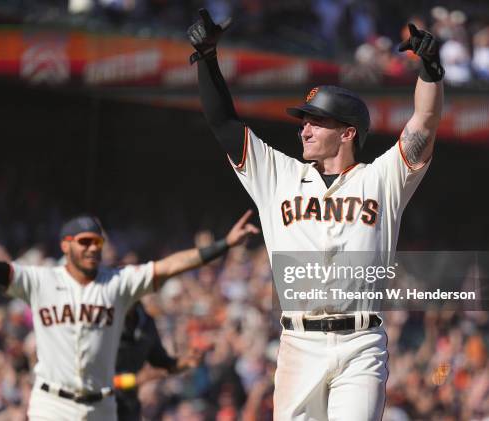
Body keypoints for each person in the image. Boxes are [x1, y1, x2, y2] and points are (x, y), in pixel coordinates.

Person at [188, 10, 444, 421]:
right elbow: (223, 122)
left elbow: (425, 122)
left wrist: (430, 69)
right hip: (298, 344)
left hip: (360, 343)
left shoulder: (381, 178)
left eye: (316, 122)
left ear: (347, 133)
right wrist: (206, 58)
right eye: (304, 122)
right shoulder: (278, 175)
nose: (304, 130)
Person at [0, 203, 259, 421]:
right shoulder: (40, 280)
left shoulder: (118, 282)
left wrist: (224, 245)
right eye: (83, 241)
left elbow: (170, 266)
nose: (91, 248)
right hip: (52, 405)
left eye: (96, 242)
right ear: (65, 245)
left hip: (101, 406)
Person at [113, 301, 204, 421]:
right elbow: (94, 379)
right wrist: (132, 380)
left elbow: (161, 362)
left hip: (128, 407)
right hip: (99, 405)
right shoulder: (103, 321)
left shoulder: (146, 322)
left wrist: (184, 362)